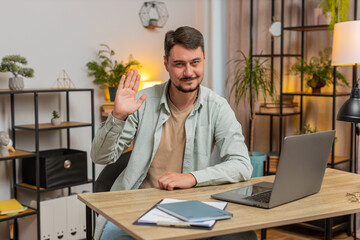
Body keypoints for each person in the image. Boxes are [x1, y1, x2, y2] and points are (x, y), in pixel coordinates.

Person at [91, 26, 256, 240]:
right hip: (137, 207)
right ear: (166, 64)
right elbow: (100, 157)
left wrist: (192, 178)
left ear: (204, 59)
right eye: (179, 64)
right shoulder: (142, 101)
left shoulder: (218, 107)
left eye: (195, 62)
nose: (188, 72)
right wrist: (118, 116)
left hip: (192, 209)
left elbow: (242, 165)